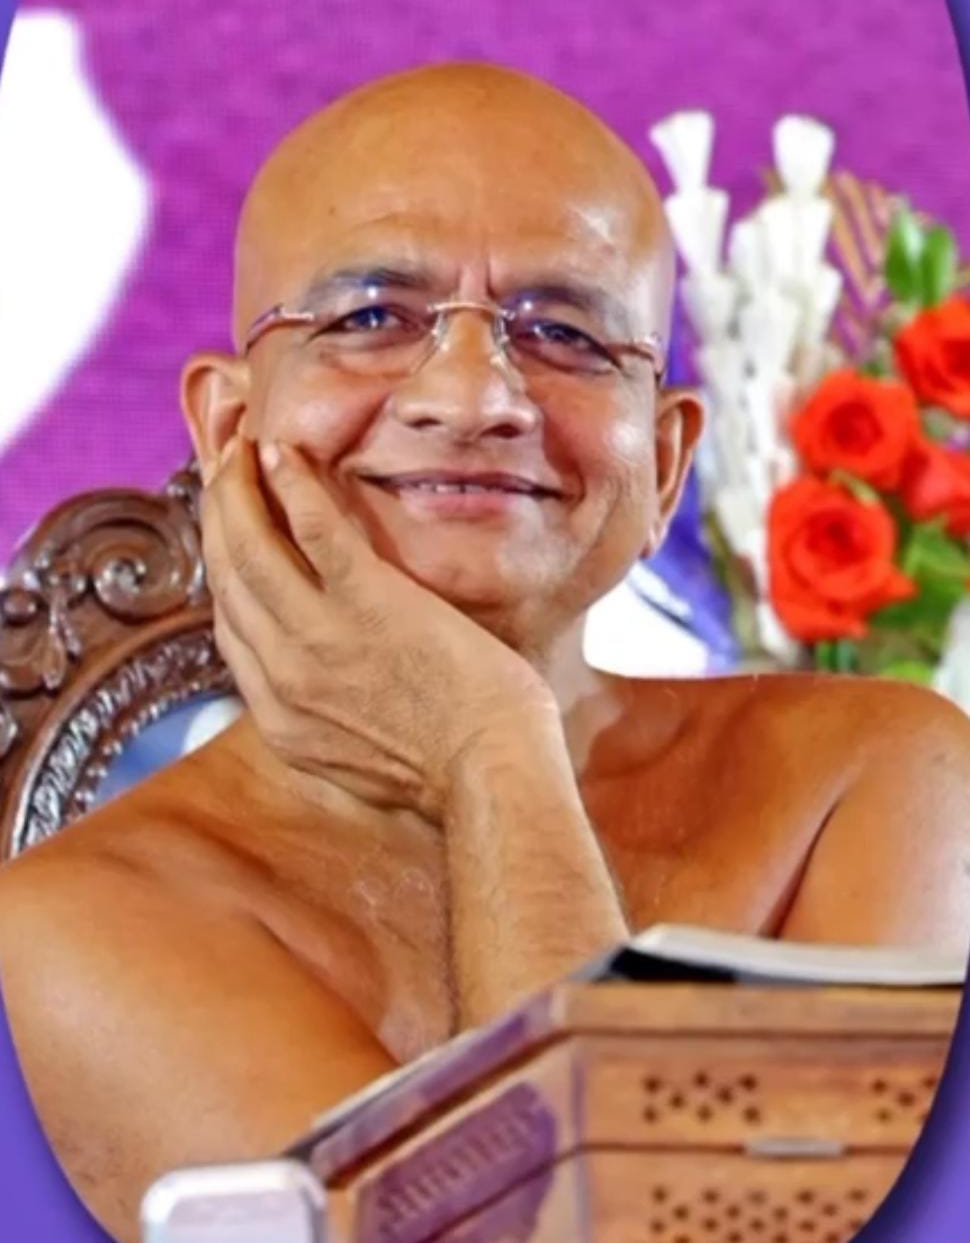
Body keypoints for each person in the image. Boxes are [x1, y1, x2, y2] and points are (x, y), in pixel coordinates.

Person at [1, 61, 969, 1243]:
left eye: (563, 332)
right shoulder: (69, 932)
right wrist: (493, 747)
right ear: (229, 428)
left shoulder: (874, 780)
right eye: (369, 319)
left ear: (666, 464)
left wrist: (490, 751)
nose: (474, 399)